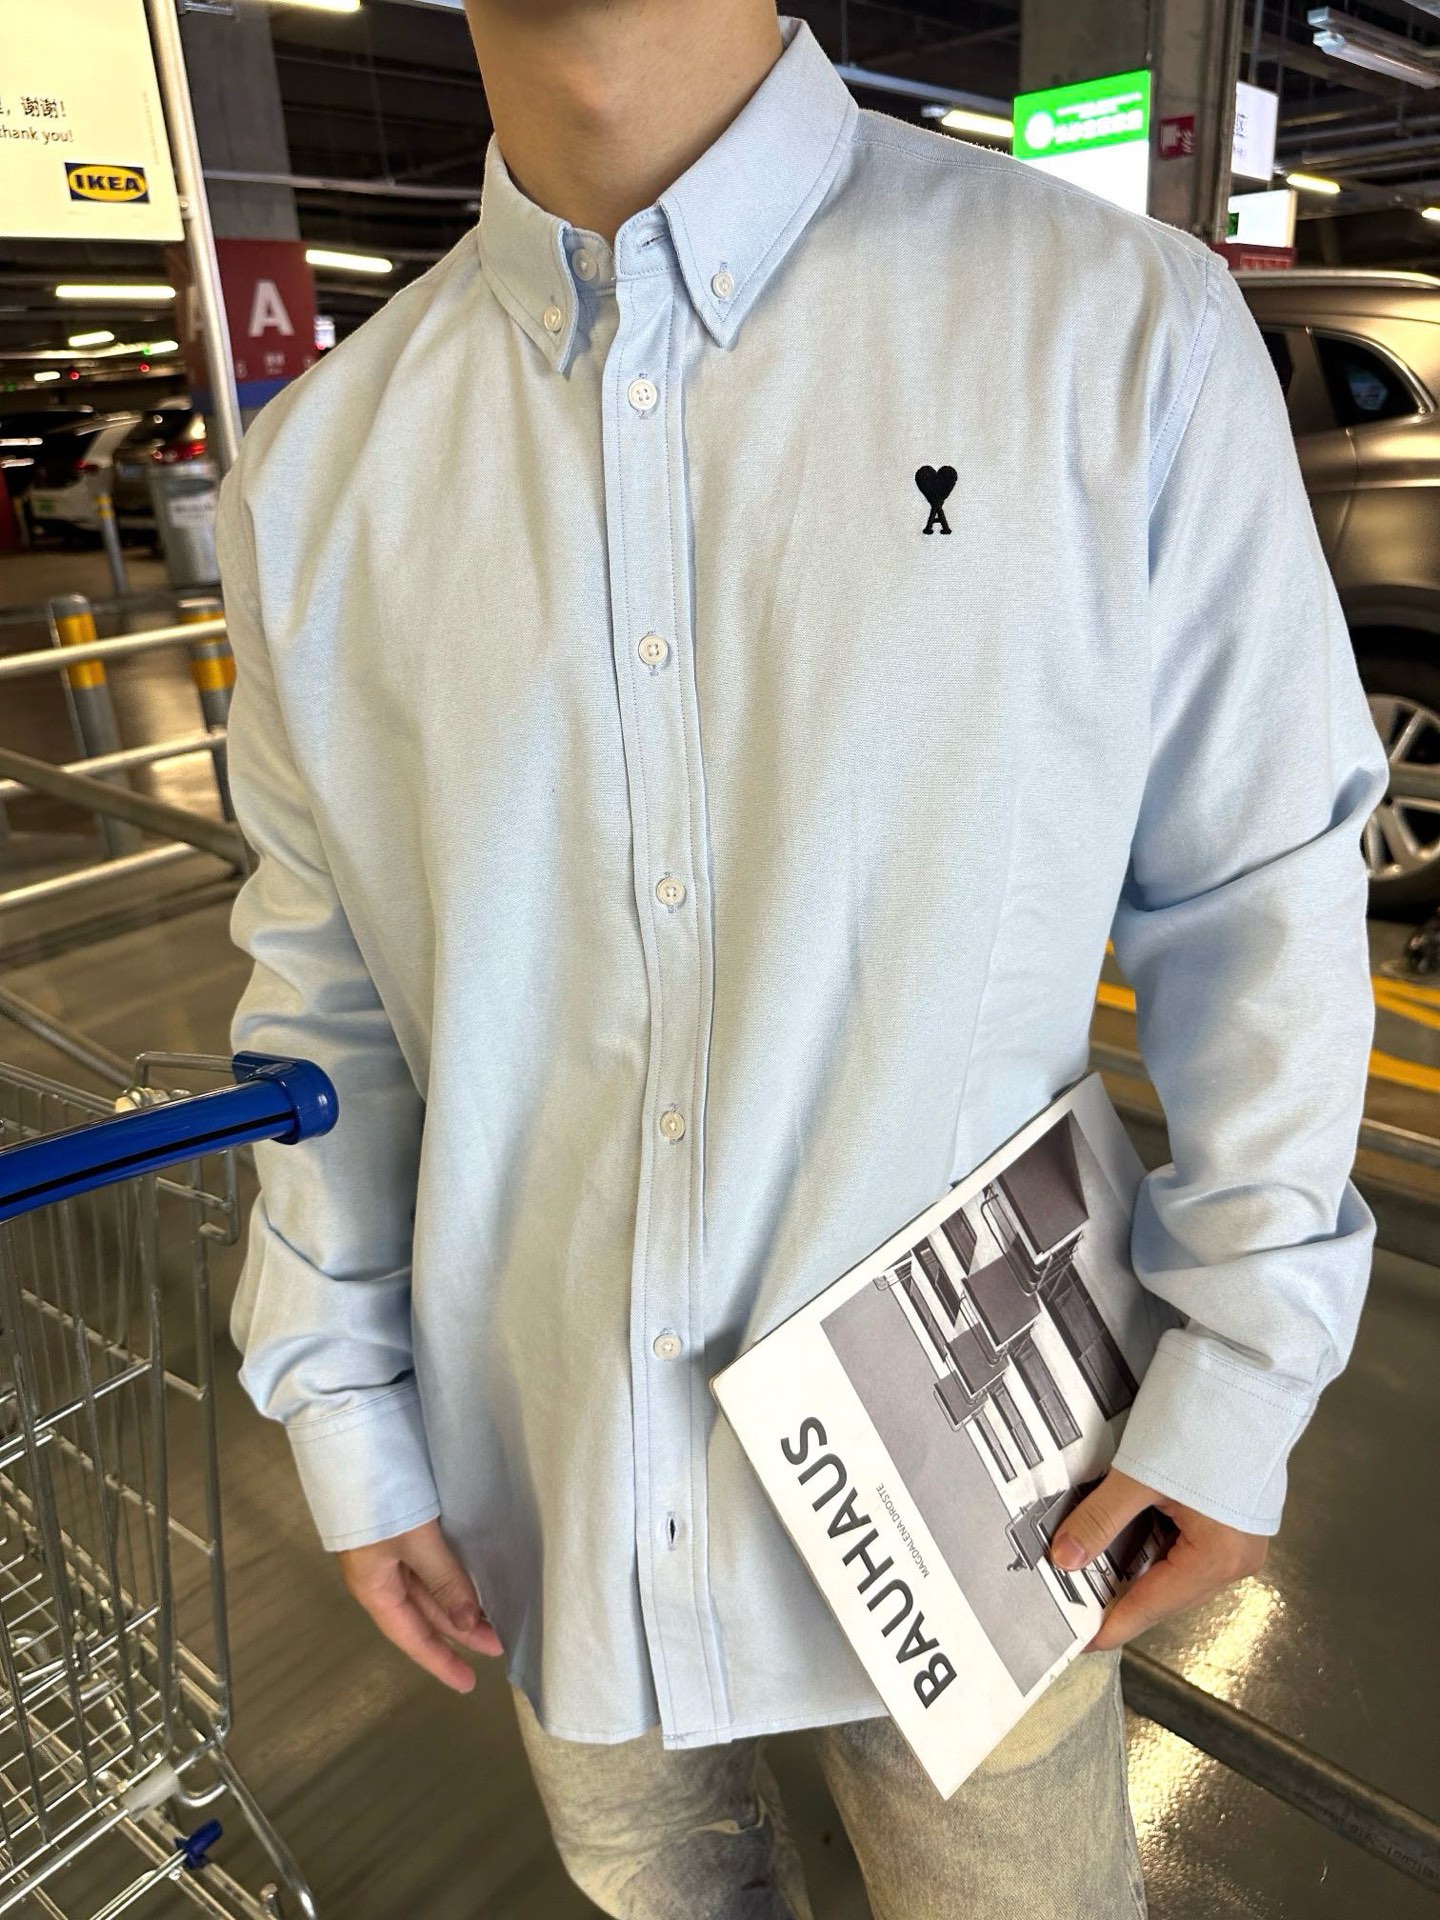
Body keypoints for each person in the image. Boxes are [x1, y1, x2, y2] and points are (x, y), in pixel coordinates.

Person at [213, 3, 1388, 1914]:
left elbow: (1258, 894)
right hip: (551, 1480)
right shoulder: (321, 474)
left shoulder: (1110, 330)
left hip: (990, 1508)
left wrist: (1240, 1373)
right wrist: (345, 1405)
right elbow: (326, 1001)